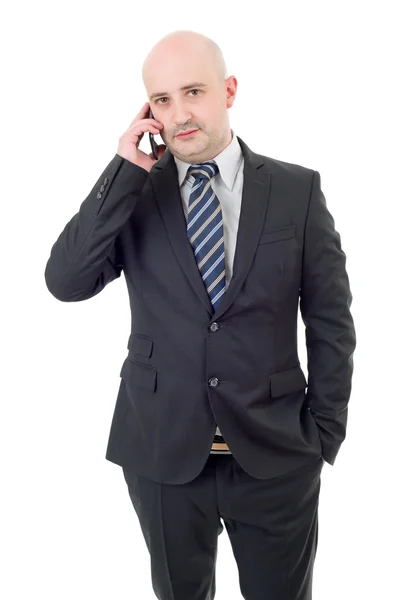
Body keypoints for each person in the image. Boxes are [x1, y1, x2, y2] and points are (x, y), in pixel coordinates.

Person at [44, 29, 356, 600]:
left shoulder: (296, 190)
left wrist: (324, 434)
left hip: (277, 455)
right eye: (162, 101)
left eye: (194, 92)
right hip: (162, 455)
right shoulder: (135, 195)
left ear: (229, 90)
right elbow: (65, 283)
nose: (180, 114)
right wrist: (122, 169)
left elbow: (331, 321)